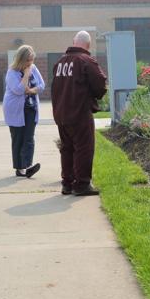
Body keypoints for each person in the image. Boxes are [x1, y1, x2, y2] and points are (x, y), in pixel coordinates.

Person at [51, 30, 107, 196]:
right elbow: (100, 85)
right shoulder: (86, 61)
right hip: (80, 113)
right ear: (88, 45)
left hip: (61, 114)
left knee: (66, 148)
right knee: (84, 148)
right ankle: (82, 184)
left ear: (74, 42)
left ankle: (67, 183)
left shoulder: (60, 62)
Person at [3, 44, 45, 178]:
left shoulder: (34, 68)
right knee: (18, 139)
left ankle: (28, 166)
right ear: (20, 59)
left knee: (29, 137)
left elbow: (41, 85)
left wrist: (31, 90)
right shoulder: (12, 72)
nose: (30, 63)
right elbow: (18, 90)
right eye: (28, 60)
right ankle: (20, 169)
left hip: (31, 107)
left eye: (32, 60)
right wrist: (26, 74)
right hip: (15, 110)